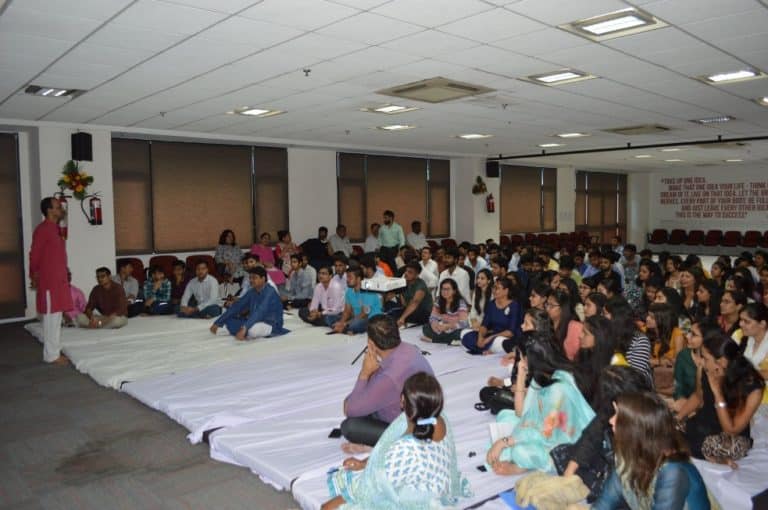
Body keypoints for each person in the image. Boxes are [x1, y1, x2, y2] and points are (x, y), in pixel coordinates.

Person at [323, 372, 471, 510]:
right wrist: (364, 463)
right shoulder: (439, 418)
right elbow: (387, 451)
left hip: (420, 500)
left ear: (402, 400)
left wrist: (332, 504)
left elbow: (372, 487)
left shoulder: (406, 448)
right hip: (440, 485)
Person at [486, 334, 595, 475]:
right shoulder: (541, 376)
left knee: (519, 452)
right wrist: (521, 375)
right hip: (542, 430)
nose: (520, 361)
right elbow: (522, 413)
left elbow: (545, 431)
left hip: (562, 443)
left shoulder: (559, 388)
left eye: (521, 357)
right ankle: (520, 459)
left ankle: (522, 466)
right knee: (504, 415)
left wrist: (504, 442)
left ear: (531, 359)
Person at [593, 392, 710, 509]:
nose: (611, 420)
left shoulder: (673, 472)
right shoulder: (629, 455)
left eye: (618, 416)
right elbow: (605, 502)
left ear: (635, 428)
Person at [551, 366, 651, 504]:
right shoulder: (611, 408)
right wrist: (569, 473)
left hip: (630, 466)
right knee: (571, 457)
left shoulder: (647, 422)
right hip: (613, 455)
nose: (611, 420)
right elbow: (592, 435)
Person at [340, 316, 434, 448]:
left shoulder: (389, 376)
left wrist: (364, 374)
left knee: (350, 426)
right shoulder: (410, 348)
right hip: (427, 415)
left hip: (412, 430)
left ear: (370, 343)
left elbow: (349, 409)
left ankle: (395, 443)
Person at [684, 332, 764, 462]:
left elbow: (732, 430)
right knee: (665, 429)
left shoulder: (752, 386)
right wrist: (677, 418)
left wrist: (718, 393)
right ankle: (709, 456)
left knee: (715, 445)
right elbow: (698, 396)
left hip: (730, 437)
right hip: (703, 425)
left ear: (721, 362)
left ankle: (714, 456)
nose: (701, 362)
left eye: (705, 358)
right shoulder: (706, 370)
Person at [29, 197, 72, 363]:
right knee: (51, 318)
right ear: (49, 210)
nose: (61, 209)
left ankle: (54, 351)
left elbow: (56, 255)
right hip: (49, 281)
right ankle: (51, 355)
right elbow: (34, 255)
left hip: (58, 280)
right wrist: (34, 275)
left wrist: (65, 270)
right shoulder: (43, 230)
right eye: (58, 207)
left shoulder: (55, 229)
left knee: (57, 316)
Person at [210, 267, 288, 340]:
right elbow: (237, 306)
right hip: (254, 320)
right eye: (250, 278)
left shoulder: (270, 292)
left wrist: (245, 327)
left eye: (254, 278)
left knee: (253, 330)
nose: (251, 280)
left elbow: (260, 311)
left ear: (263, 279)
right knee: (229, 320)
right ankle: (244, 330)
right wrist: (218, 322)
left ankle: (245, 330)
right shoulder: (252, 291)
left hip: (271, 324)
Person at [461, 278, 523, 355]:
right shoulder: (491, 304)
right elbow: (484, 325)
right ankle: (485, 349)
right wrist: (480, 338)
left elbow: (511, 332)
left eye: (497, 288)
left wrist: (490, 338)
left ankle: (483, 349)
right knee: (466, 335)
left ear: (506, 291)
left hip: (505, 337)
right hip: (491, 334)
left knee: (500, 342)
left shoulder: (514, 305)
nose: (494, 290)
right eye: (493, 287)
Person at [605, 296, 653, 388]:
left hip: (633, 389)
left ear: (616, 317)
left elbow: (636, 375)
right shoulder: (605, 336)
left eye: (605, 313)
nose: (602, 317)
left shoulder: (640, 340)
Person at [333, 267, 382, 334]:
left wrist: (345, 323)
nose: (347, 280)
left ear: (358, 279)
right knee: (330, 318)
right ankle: (346, 329)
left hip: (371, 319)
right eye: (347, 277)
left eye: (350, 277)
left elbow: (365, 314)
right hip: (356, 317)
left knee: (355, 324)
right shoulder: (349, 291)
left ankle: (347, 328)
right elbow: (347, 311)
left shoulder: (368, 290)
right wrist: (341, 323)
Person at [421, 278, 468, 344]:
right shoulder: (439, 301)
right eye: (443, 289)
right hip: (443, 327)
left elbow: (464, 323)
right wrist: (435, 325)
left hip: (456, 328)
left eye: (448, 289)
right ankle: (448, 340)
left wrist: (448, 326)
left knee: (459, 334)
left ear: (454, 291)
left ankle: (434, 340)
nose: (445, 291)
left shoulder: (461, 303)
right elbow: (432, 317)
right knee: (426, 328)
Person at [385, 262, 432, 327]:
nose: (406, 273)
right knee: (389, 306)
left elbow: (415, 303)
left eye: (410, 272)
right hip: (410, 309)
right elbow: (403, 303)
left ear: (417, 275)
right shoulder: (404, 282)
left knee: (394, 314)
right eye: (406, 271)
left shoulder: (420, 285)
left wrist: (402, 318)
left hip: (423, 312)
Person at [546, 289, 583, 361]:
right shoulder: (546, 323)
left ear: (563, 308)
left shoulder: (575, 326)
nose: (547, 308)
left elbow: (573, 356)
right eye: (547, 304)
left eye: (551, 305)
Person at [740, 303, 768, 378]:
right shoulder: (738, 335)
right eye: (741, 320)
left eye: (746, 322)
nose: (741, 324)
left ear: (762, 324)